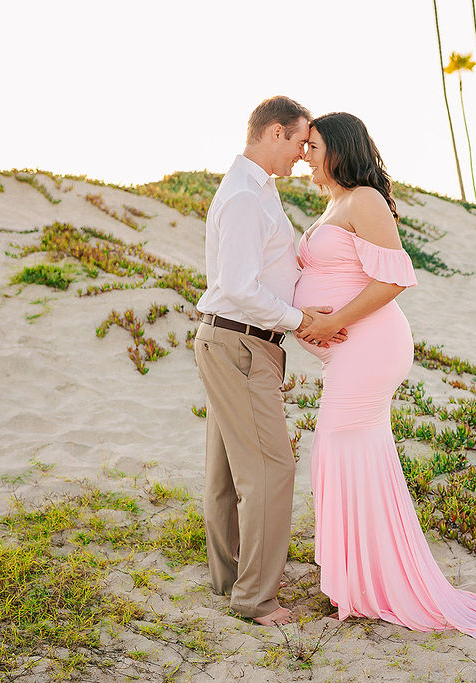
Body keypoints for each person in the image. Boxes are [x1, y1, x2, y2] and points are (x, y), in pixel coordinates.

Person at [293, 112, 476, 649]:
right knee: (345, 449)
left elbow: (395, 277)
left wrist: (333, 321)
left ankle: (373, 581)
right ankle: (357, 577)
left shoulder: (364, 200)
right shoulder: (334, 203)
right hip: (351, 348)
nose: (304, 154)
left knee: (342, 444)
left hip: (371, 343)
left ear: (338, 147)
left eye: (312, 145)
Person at [194, 96, 345, 627]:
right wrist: (299, 318)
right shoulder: (243, 197)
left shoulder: (258, 190)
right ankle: (256, 598)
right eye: (302, 140)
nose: (304, 153)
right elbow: (238, 288)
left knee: (227, 470)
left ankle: (229, 577)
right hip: (240, 342)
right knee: (270, 469)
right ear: (275, 133)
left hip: (234, 342)